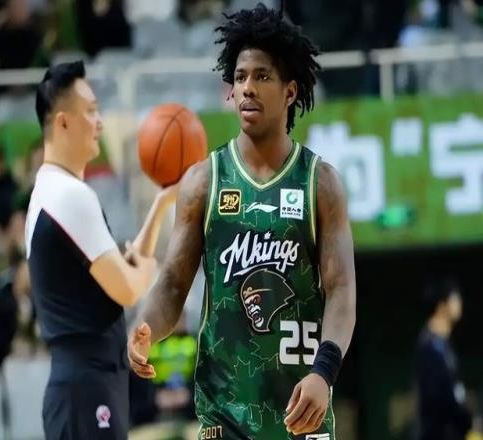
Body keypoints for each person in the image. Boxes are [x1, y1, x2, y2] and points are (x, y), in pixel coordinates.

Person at [128, 3, 356, 439]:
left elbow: (342, 290)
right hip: (226, 418)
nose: (248, 88)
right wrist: (146, 329)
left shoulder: (320, 182)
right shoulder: (204, 181)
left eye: (262, 76)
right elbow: (173, 285)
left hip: (302, 413)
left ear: (290, 92)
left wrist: (324, 372)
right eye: (240, 77)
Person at [26, 61, 176, 440]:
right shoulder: (71, 196)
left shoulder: (50, 190)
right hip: (86, 387)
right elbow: (128, 287)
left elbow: (119, 269)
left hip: (82, 386)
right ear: (62, 123)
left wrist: (160, 204)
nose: (100, 122)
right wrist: (147, 270)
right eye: (91, 111)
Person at [414, 277, 472, 440]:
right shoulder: (430, 347)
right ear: (441, 306)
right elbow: (439, 401)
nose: (459, 303)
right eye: (455, 298)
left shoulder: (444, 345)